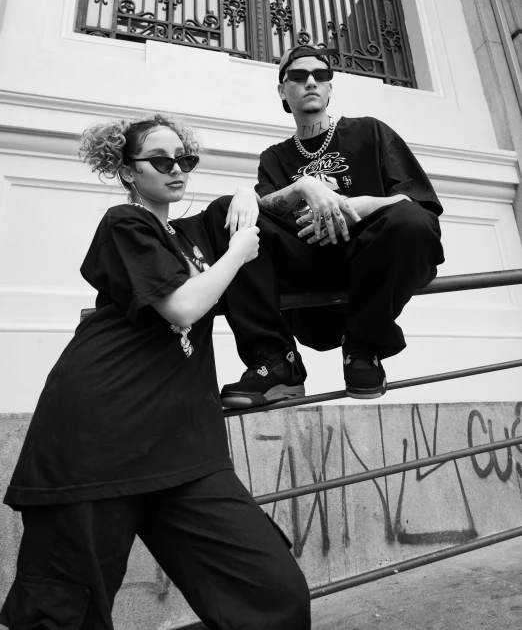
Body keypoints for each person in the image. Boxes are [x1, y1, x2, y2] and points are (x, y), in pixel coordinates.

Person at [0, 115, 310, 630]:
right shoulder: (125, 223)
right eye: (160, 161)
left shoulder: (191, 235)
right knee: (61, 616)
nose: (176, 170)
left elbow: (257, 211)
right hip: (98, 440)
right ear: (126, 168)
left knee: (273, 593)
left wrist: (248, 190)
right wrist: (235, 256)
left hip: (183, 450)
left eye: (184, 160)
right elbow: (182, 307)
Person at [213, 45, 445, 408]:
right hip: (309, 270)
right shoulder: (275, 158)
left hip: (370, 263)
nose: (311, 82)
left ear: (330, 88)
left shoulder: (369, 132)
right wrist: (283, 188)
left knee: (413, 220)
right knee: (228, 213)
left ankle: (363, 348)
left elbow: (418, 202)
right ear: (282, 90)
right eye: (298, 76)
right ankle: (277, 362)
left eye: (321, 76)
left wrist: (360, 205)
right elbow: (268, 219)